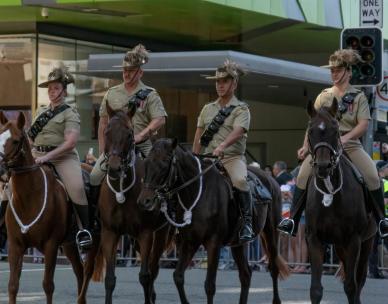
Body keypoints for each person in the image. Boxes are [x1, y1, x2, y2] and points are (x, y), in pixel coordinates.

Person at [278, 49, 388, 238]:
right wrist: (305, 146)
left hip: (350, 145)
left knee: (372, 175)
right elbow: (312, 124)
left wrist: (345, 138)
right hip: (323, 145)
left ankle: (381, 220)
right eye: (332, 70)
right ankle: (293, 220)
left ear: (348, 71)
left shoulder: (358, 96)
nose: (334, 74)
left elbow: (363, 125)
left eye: (338, 70)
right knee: (303, 175)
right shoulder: (324, 96)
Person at [89, 44, 167, 203]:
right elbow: (103, 123)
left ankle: (160, 213)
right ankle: (94, 219)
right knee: (94, 176)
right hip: (115, 148)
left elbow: (160, 119)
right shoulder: (111, 93)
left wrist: (141, 135)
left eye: (130, 70)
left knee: (157, 175)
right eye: (124, 70)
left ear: (140, 72)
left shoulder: (150, 94)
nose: (126, 73)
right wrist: (103, 150)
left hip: (141, 144)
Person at [28, 67, 92, 250]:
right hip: (36, 155)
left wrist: (47, 156)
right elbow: (30, 139)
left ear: (64, 91)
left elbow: (70, 143)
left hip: (62, 157)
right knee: (9, 186)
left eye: (56, 88)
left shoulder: (70, 112)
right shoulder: (40, 111)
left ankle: (84, 232)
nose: (51, 92)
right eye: (49, 89)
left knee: (78, 188)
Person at [192, 59, 254, 242]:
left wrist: (222, 146)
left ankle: (247, 223)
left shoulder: (241, 109)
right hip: (208, 158)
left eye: (224, 81)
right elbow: (198, 135)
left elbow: (239, 131)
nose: (220, 85)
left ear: (234, 84)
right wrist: (195, 157)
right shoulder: (207, 108)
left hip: (231, 158)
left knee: (240, 180)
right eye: (217, 81)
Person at [368, 160, 388, 279]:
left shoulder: (376, 182)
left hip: (377, 217)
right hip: (383, 217)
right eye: (386, 168)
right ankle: (374, 270)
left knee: (374, 245)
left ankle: (373, 270)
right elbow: (384, 202)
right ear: (381, 170)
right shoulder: (384, 183)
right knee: (376, 245)